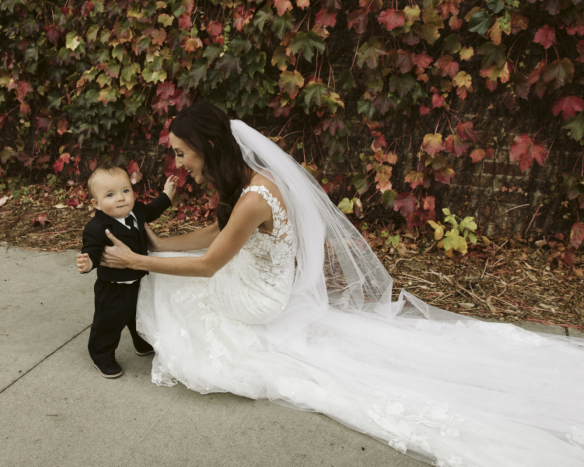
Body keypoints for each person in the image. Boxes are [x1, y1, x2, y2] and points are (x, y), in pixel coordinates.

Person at [98, 101, 584, 466]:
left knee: (168, 285)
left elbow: (209, 264)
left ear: (206, 147)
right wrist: (162, 246)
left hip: (257, 297)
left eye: (182, 154)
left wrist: (139, 260)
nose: (179, 164)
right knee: (169, 266)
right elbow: (218, 236)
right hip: (258, 278)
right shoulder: (249, 180)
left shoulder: (253, 198)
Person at [76, 164, 177, 378]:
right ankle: (101, 354)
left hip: (137, 280)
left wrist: (167, 194)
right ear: (97, 203)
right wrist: (88, 264)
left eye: (125, 191)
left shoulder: (137, 211)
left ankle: (141, 342)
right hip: (113, 287)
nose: (121, 198)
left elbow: (152, 210)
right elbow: (93, 251)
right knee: (109, 322)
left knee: (138, 313)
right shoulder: (97, 227)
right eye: (110, 194)